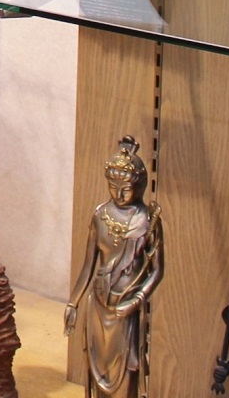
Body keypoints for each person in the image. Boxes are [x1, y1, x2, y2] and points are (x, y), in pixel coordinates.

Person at [65, 137, 164, 397]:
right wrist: (73, 303)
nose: (119, 194)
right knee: (97, 370)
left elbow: (157, 271)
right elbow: (88, 265)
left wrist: (136, 301)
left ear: (139, 186)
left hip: (126, 307)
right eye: (113, 187)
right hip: (99, 303)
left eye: (126, 189)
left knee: (128, 368)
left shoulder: (148, 220)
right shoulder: (100, 215)